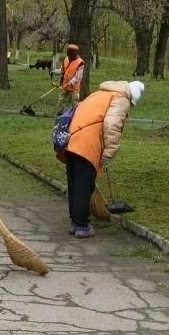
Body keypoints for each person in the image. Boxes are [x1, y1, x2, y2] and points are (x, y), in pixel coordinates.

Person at [58, 79, 144, 238]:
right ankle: (82, 226)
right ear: (132, 97)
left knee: (75, 183)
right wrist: (109, 152)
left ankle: (74, 223)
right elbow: (112, 124)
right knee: (84, 186)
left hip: (71, 139)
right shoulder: (121, 98)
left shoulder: (100, 94)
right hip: (87, 144)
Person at [58, 42, 85, 111]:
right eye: (68, 52)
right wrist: (61, 81)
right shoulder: (66, 59)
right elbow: (62, 71)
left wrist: (70, 83)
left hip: (74, 87)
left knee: (74, 102)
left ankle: (74, 114)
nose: (68, 54)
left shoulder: (80, 63)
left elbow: (77, 77)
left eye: (70, 53)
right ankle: (61, 112)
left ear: (74, 53)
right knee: (61, 100)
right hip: (65, 85)